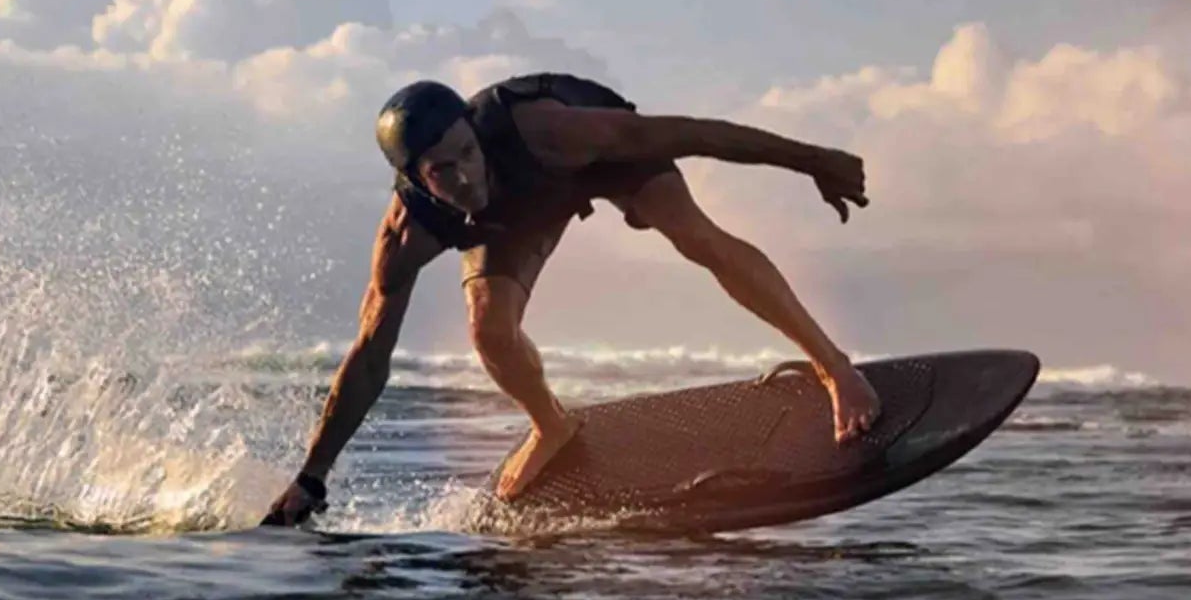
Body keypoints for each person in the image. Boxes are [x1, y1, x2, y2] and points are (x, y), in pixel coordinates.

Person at [261, 73, 879, 526]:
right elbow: (371, 354)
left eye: (468, 154)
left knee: (693, 234)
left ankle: (833, 367)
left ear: (477, 135)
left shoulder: (549, 131)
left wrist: (814, 161)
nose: (464, 176)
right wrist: (311, 480)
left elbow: (692, 134)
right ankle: (552, 426)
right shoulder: (406, 235)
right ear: (414, 181)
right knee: (488, 330)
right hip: (517, 212)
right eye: (442, 171)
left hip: (587, 161)